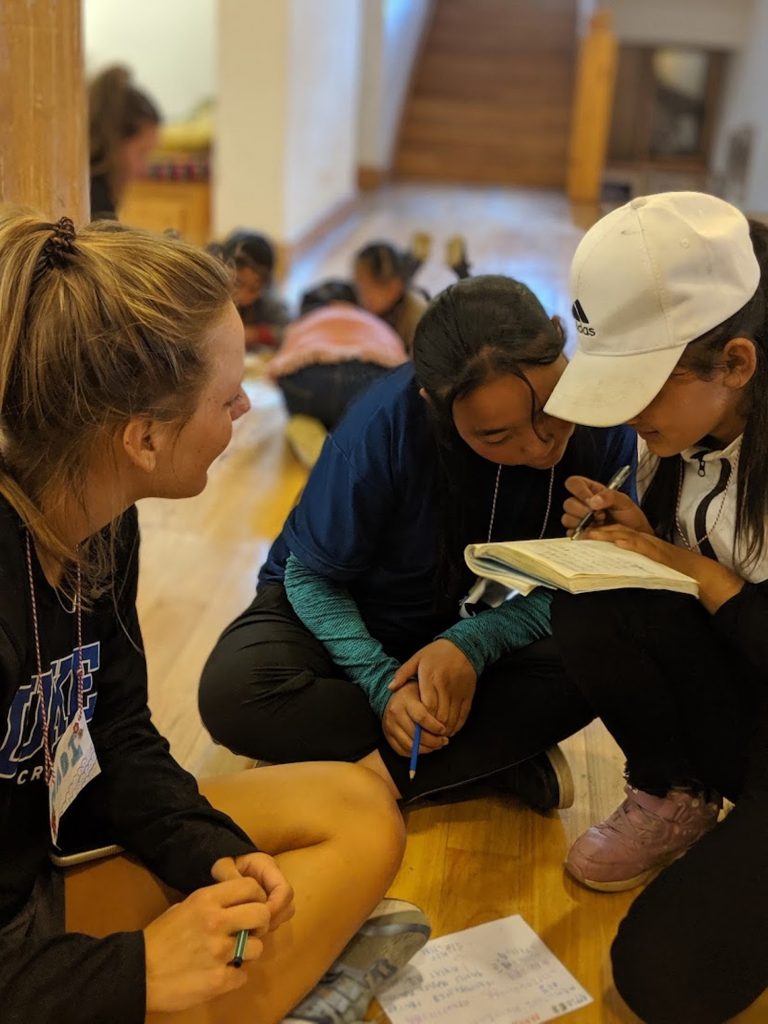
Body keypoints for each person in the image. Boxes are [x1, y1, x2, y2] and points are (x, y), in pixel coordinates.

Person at [0, 209, 429, 1024]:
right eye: (227, 397)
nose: (243, 411)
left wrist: (213, 853)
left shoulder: (99, 516)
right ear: (143, 438)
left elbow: (119, 734)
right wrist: (133, 974)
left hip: (44, 871)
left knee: (360, 811)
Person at [199, 275, 637, 807]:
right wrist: (384, 687)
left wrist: (473, 644)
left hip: (490, 628)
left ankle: (372, 774)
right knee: (235, 692)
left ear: (558, 333)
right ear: (432, 401)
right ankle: (486, 758)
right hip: (352, 618)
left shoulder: (606, 420)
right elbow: (311, 577)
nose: (540, 441)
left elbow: (589, 581)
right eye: (496, 436)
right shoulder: (383, 425)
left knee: (616, 643)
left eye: (549, 409)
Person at [544, 192, 768, 1024]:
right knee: (595, 598)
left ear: (736, 363)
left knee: (657, 980)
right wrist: (645, 538)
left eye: (642, 390)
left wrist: (689, 569)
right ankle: (678, 794)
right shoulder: (687, 433)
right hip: (745, 702)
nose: (631, 418)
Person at [268, 279, 407, 467]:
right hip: (370, 378)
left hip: (310, 379)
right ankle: (358, 444)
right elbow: (401, 366)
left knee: (303, 409)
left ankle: (309, 430)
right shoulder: (373, 321)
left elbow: (280, 364)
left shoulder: (307, 320)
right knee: (373, 416)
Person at [88, 66, 161, 220]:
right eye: (142, 153)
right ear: (114, 143)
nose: (144, 169)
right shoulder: (94, 202)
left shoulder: (101, 194)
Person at [354, 241, 429, 352]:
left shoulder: (417, 321)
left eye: (367, 289)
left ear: (394, 287)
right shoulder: (364, 309)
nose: (361, 297)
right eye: (358, 287)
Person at [223, 231, 290, 350]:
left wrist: (257, 335)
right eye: (237, 284)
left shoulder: (266, 302)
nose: (242, 297)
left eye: (254, 289)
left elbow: (290, 332)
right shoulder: (213, 298)